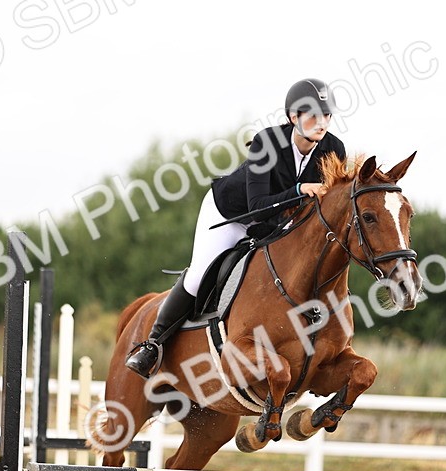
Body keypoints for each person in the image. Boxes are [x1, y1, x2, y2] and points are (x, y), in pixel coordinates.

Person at [124, 78, 348, 378]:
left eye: (327, 116)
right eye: (313, 116)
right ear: (293, 117)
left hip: (278, 222)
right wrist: (299, 190)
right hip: (231, 214)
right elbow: (257, 205)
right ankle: (151, 345)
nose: (322, 123)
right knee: (200, 275)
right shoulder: (266, 143)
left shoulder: (334, 149)